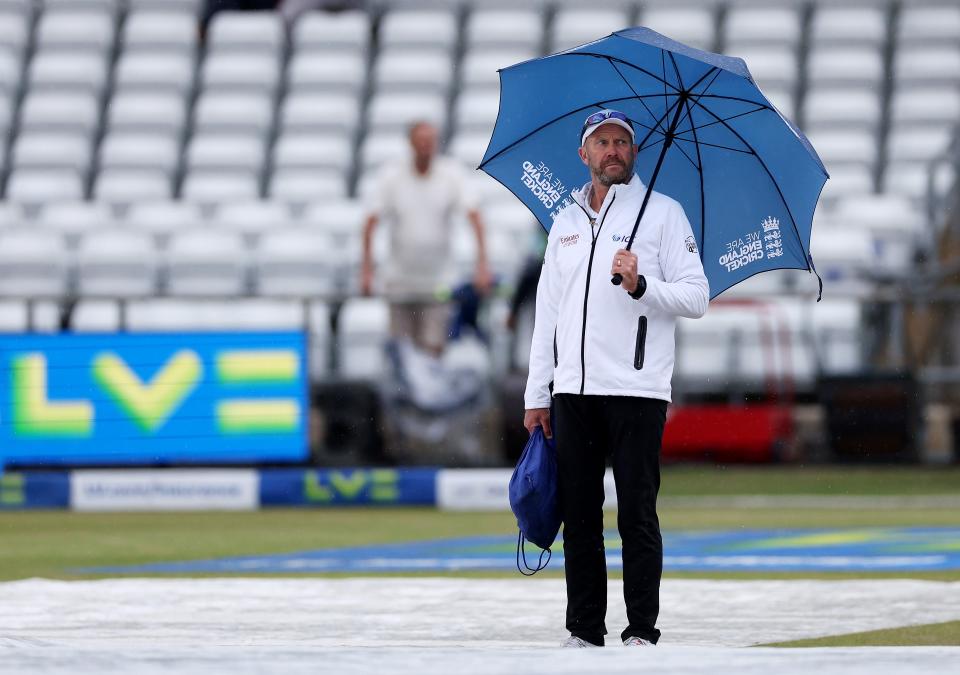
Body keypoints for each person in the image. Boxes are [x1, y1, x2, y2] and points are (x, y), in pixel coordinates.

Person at [522, 109, 709, 648]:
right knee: (580, 516)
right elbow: (547, 315)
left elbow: (696, 296)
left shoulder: (665, 215)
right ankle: (584, 628)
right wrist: (539, 392)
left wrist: (641, 283)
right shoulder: (565, 222)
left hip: (636, 389)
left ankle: (641, 631)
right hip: (573, 391)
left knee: (636, 515)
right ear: (584, 154)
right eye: (602, 142)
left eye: (622, 142)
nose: (612, 150)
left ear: (634, 152)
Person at [361, 121, 492, 355]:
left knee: (433, 351)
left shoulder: (451, 174)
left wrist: (481, 266)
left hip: (437, 282)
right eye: (420, 140)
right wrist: (367, 270)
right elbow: (371, 222)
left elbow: (475, 217)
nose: (425, 146)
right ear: (410, 143)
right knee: (401, 354)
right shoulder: (392, 176)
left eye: (429, 140)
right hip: (399, 282)